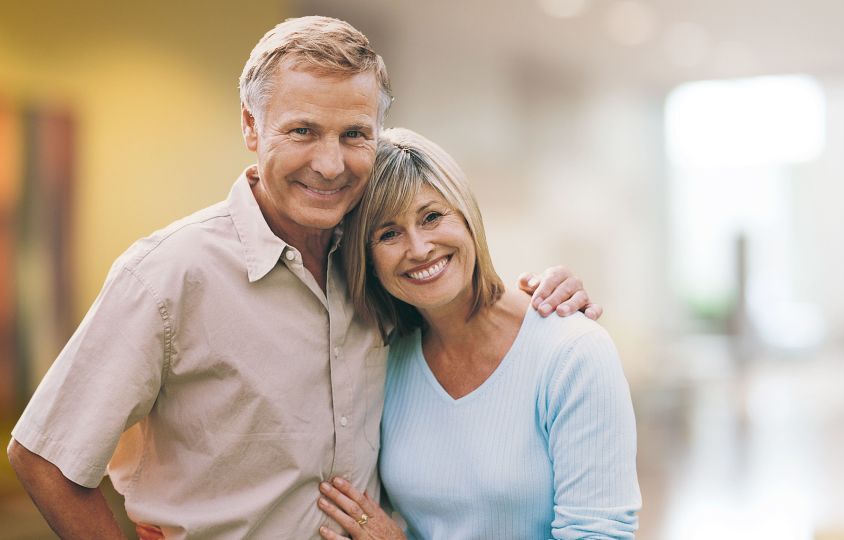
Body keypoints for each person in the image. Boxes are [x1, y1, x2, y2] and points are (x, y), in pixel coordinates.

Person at [6, 17, 599, 539]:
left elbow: (462, 303)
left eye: (354, 135)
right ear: (251, 127)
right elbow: (44, 458)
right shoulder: (167, 274)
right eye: (302, 131)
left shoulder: (376, 260)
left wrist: (545, 298)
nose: (330, 163)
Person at [313, 128, 641, 539]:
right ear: (368, 260)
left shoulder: (573, 352)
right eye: (388, 233)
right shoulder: (386, 358)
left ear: (468, 218)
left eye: (432, 216)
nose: (418, 248)